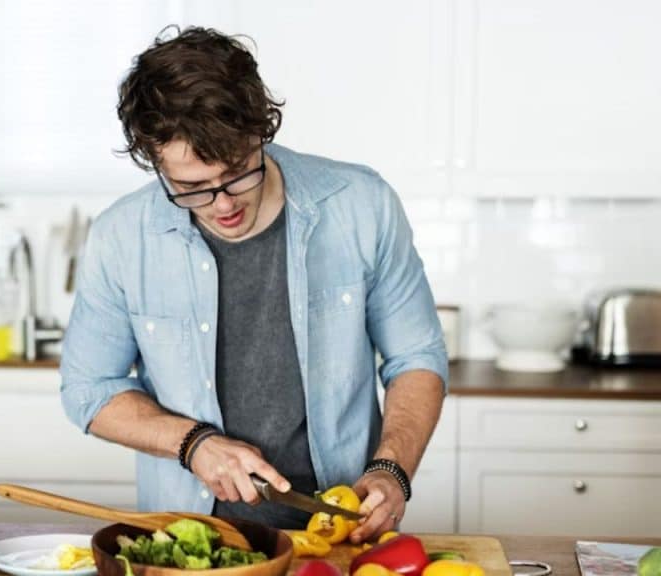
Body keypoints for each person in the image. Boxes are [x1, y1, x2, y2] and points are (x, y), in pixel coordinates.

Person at [59, 26, 447, 542]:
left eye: (239, 171)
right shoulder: (121, 237)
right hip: (191, 544)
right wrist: (192, 443)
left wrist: (392, 469)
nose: (223, 204)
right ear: (154, 160)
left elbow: (417, 356)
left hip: (341, 542)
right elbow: (89, 389)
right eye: (192, 188)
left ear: (262, 130)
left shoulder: (362, 206)